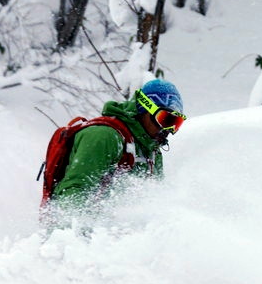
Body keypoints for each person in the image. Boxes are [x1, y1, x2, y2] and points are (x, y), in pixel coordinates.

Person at [51, 79, 186, 208]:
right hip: (79, 229)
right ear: (145, 109)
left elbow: (154, 203)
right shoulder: (105, 137)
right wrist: (85, 229)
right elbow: (73, 192)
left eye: (176, 123)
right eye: (166, 120)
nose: (168, 129)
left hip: (120, 229)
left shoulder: (152, 153)